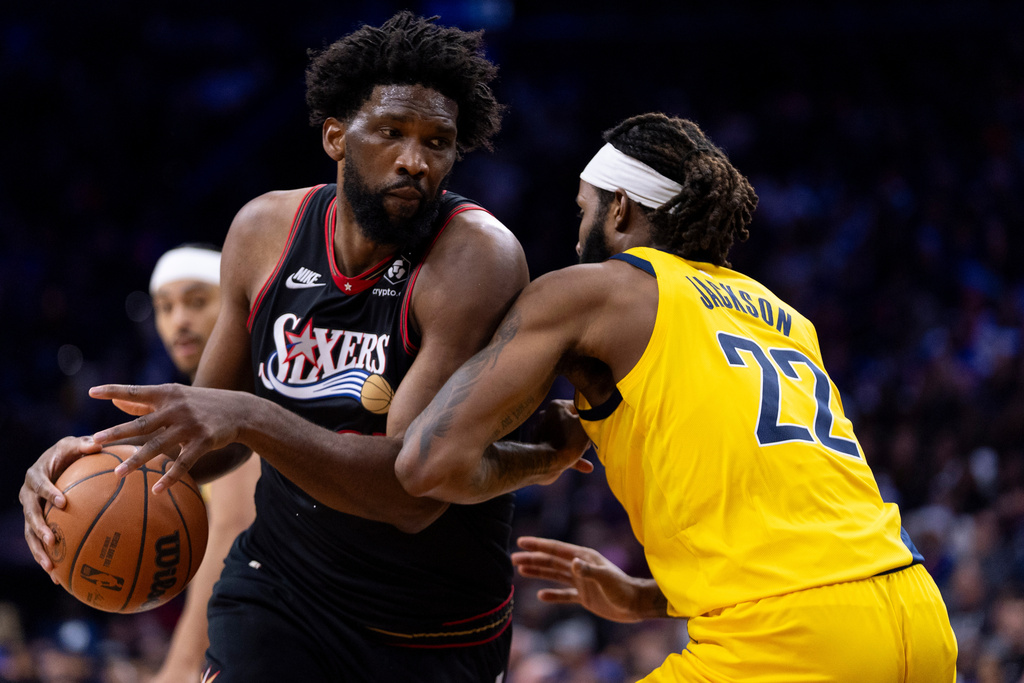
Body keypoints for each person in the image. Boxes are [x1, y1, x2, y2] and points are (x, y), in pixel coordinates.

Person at [21, 12, 528, 682]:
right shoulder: (264, 233)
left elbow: (415, 488)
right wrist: (90, 467)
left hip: (432, 621)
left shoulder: (474, 262)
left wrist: (255, 417)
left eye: (439, 141)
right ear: (336, 137)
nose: (417, 160)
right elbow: (209, 437)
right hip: (282, 593)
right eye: (394, 133)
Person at [393, 112, 960, 681]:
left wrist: (547, 459)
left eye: (583, 209)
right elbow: (797, 519)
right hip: (919, 617)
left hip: (790, 640)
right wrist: (648, 598)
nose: (576, 231)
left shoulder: (594, 292)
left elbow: (424, 466)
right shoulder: (783, 314)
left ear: (619, 207)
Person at [146, 244, 262, 683]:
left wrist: (181, 665)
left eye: (197, 302)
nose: (179, 321)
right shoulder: (206, 400)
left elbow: (231, 530)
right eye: (165, 307)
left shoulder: (241, 392)